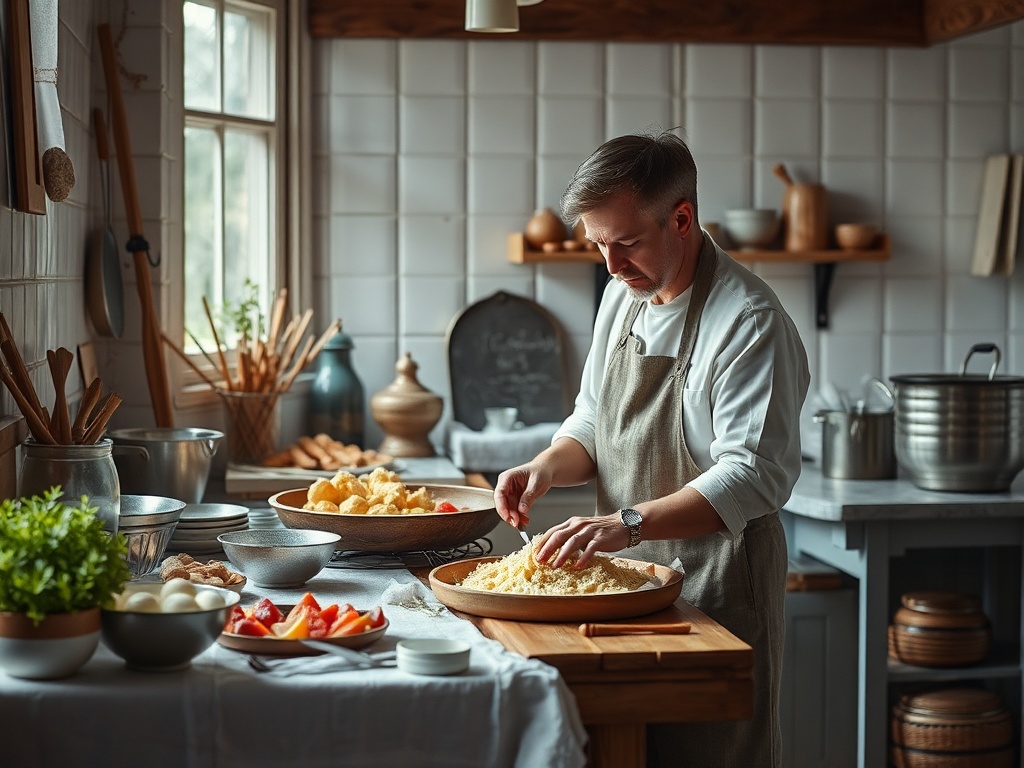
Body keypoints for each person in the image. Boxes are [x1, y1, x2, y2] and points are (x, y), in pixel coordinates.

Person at [493, 130, 810, 768]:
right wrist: (545, 467)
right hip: (626, 586)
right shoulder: (624, 295)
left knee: (708, 755)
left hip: (719, 587)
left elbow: (751, 476)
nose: (611, 264)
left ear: (682, 219)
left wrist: (626, 523)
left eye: (628, 242)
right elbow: (593, 419)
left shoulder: (748, 321)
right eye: (598, 244)